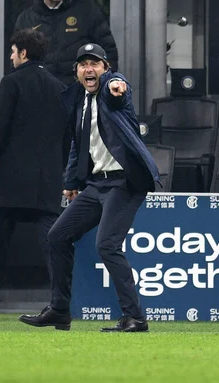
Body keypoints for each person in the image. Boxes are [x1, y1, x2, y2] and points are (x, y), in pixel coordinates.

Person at [20, 43, 161, 333]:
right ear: (77, 72)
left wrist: (118, 85)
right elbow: (78, 144)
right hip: (97, 184)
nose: (89, 69)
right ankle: (59, 310)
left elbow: (120, 90)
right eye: (83, 64)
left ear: (105, 69)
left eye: (95, 64)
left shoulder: (113, 88)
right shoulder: (80, 102)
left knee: (106, 245)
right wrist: (72, 183)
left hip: (125, 181)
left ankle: (135, 317)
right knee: (57, 236)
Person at [0, 29, 70, 320]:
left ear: (23, 53)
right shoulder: (60, 88)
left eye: (13, 52)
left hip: (10, 179)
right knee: (52, 244)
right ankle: (61, 304)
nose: (11, 57)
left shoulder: (11, 83)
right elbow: (67, 137)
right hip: (47, 179)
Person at [14, 0, 118, 85]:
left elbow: (108, 53)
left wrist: (102, 85)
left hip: (80, 92)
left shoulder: (87, 13)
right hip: (41, 92)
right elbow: (17, 60)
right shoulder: (26, 19)